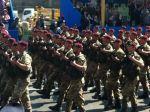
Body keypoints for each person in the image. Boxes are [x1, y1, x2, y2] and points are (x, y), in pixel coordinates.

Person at [121, 40, 144, 112]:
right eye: (127, 46)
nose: (128, 48)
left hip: (133, 77)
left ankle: (124, 108)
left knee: (124, 92)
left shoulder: (135, 55)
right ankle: (134, 108)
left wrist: (133, 59)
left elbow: (142, 64)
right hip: (127, 76)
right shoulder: (127, 54)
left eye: (129, 46)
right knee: (131, 93)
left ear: (133, 47)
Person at [9, 41, 32, 112]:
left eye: (19, 46)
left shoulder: (26, 56)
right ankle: (28, 110)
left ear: (24, 47)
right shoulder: (19, 55)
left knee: (14, 99)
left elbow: (27, 67)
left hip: (23, 80)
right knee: (25, 98)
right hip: (20, 78)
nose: (17, 47)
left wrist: (17, 63)